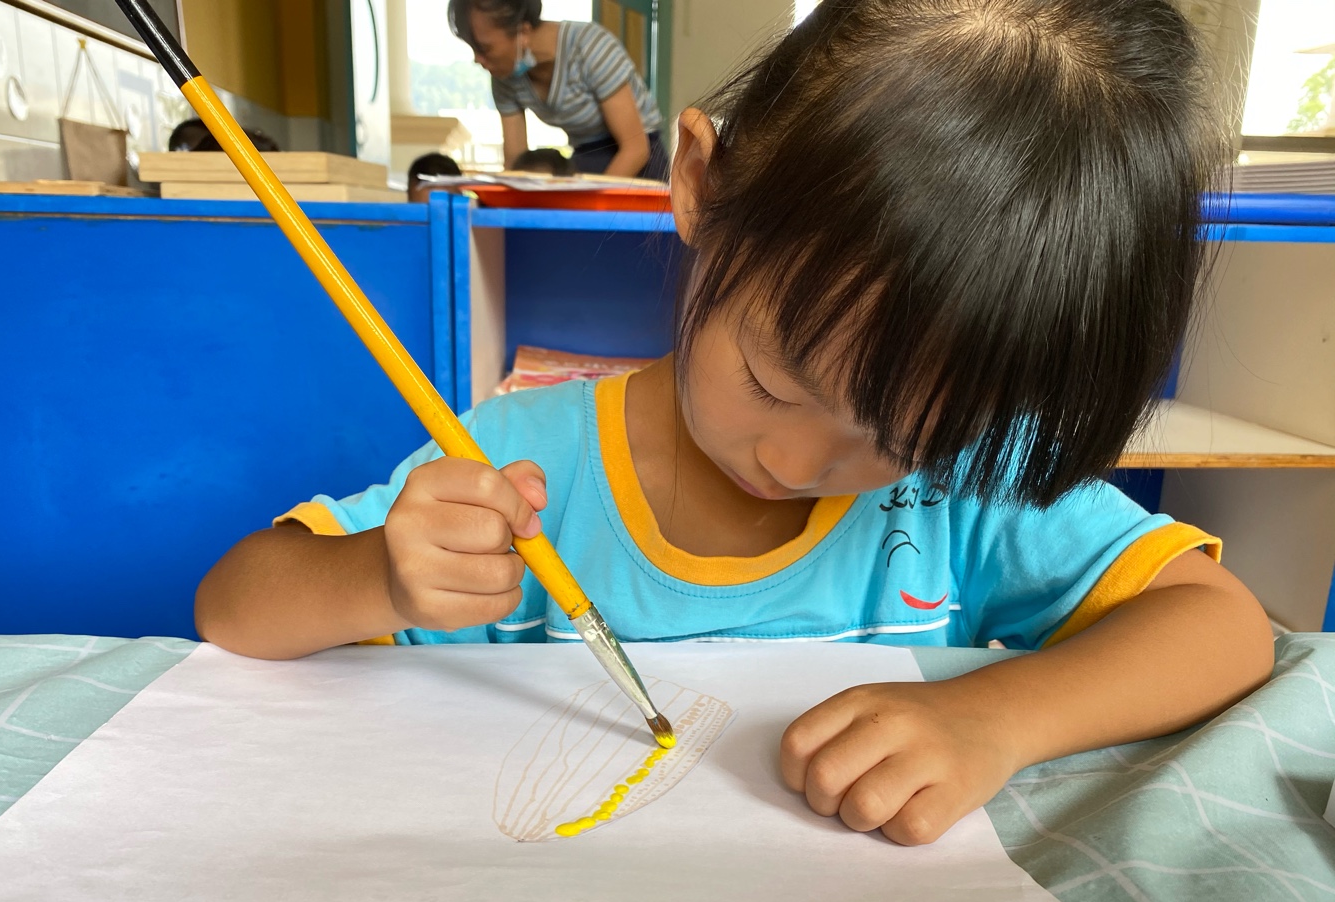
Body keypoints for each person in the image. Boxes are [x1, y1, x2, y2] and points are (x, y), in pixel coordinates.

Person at [195, 0, 1273, 847]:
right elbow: (235, 608)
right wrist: (381, 577)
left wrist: (998, 718)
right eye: (772, 382)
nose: (794, 461)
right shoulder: (523, 462)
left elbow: (1224, 626)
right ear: (700, 186)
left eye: (900, 438)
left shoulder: (968, 482)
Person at [448, 0, 667, 180]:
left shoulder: (590, 46)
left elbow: (636, 149)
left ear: (523, 31)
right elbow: (515, 163)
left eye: (484, 48)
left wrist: (591, 206)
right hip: (586, 155)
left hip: (641, 158)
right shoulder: (505, 76)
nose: (477, 59)